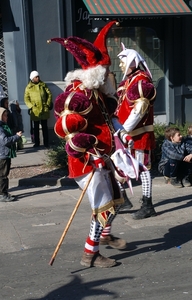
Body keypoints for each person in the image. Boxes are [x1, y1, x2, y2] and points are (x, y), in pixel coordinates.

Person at [48, 21, 155, 268]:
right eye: (107, 71)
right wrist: (91, 152)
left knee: (115, 200)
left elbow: (111, 119)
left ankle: (104, 236)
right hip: (86, 162)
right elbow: (68, 133)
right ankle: (90, 254)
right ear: (97, 73)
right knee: (103, 205)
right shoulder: (77, 95)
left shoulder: (99, 94)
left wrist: (123, 134)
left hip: (103, 158)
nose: (111, 75)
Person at [113, 44, 157, 218]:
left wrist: (123, 130)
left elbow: (139, 110)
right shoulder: (129, 81)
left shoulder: (141, 81)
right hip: (126, 133)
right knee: (120, 165)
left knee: (144, 168)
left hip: (139, 134)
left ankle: (148, 205)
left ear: (132, 62)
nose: (121, 65)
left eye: (124, 62)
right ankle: (123, 199)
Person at [0, 107, 22, 202]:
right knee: (3, 175)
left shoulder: (1, 126)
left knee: (4, 174)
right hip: (3, 154)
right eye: (4, 115)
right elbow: (5, 141)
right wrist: (16, 137)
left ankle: (4, 192)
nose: (6, 117)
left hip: (5, 153)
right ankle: (2, 194)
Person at [24, 71, 52, 148]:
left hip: (44, 109)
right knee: (35, 128)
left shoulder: (43, 85)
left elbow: (49, 94)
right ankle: (37, 143)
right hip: (35, 110)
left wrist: (47, 103)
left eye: (38, 76)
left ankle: (46, 143)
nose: (38, 78)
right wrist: (31, 106)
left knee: (44, 127)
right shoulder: (29, 87)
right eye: (36, 77)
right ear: (32, 78)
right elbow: (26, 98)